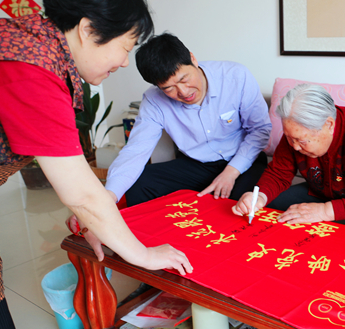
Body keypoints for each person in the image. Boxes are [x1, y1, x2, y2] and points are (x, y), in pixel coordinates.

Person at [0, 0, 192, 329]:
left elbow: (78, 185)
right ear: (87, 29)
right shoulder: (29, 65)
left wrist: (99, 219)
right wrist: (142, 254)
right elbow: (81, 190)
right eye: (125, 46)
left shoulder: (35, 47)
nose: (125, 61)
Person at [102, 33, 271, 207]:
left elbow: (260, 130)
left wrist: (231, 172)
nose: (183, 92)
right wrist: (109, 195)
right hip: (196, 165)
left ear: (193, 59)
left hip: (243, 161)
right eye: (169, 88)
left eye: (184, 79)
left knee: (244, 199)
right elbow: (136, 150)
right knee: (139, 183)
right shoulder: (154, 100)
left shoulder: (235, 77)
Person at [232, 83, 345, 233]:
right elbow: (279, 173)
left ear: (329, 125)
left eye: (302, 141)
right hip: (325, 190)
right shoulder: (295, 132)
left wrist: (325, 211)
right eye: (289, 138)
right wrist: (260, 197)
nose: (295, 147)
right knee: (271, 205)